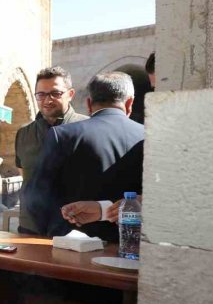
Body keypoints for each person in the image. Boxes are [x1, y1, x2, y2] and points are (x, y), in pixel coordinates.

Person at [24, 73, 145, 241]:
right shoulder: (148, 136)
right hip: (132, 245)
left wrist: (53, 230)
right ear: (130, 102)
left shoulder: (63, 135)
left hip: (72, 246)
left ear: (89, 103)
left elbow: (36, 196)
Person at [14, 66, 88, 234]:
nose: (47, 100)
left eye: (56, 93)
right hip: (30, 227)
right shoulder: (24, 134)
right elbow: (24, 173)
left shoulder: (88, 128)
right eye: (41, 94)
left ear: (70, 94)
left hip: (75, 229)